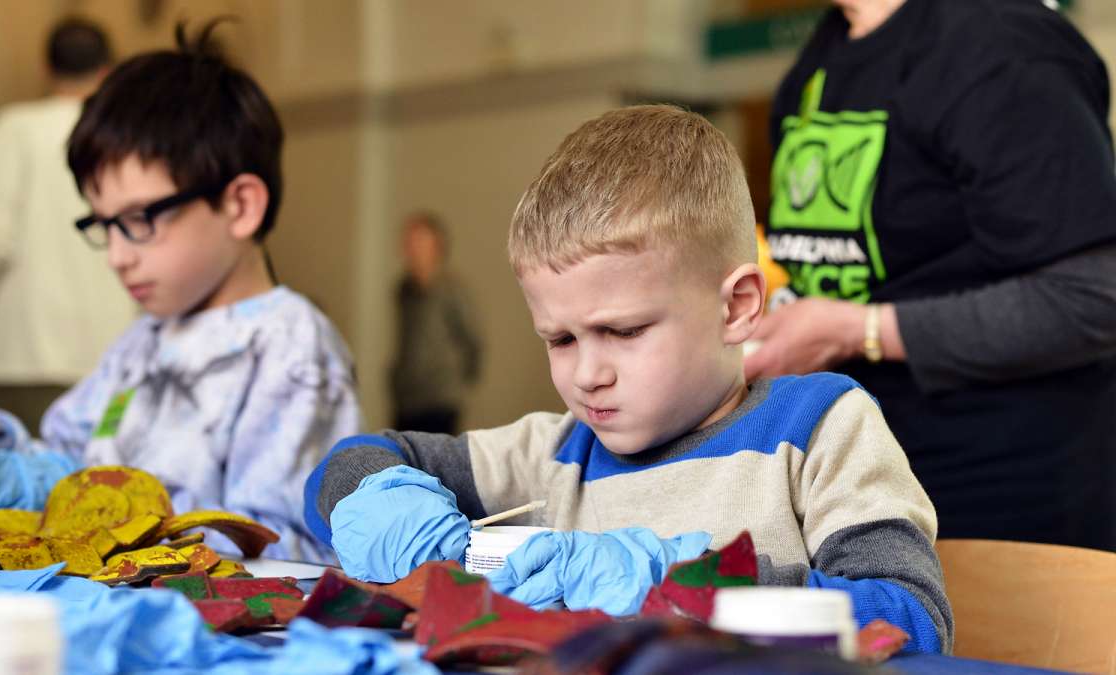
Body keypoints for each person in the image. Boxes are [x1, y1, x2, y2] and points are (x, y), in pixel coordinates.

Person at [304, 105, 952, 654]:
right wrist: (420, 530)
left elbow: (911, 620)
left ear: (736, 305)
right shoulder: (557, 451)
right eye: (560, 338)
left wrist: (683, 583)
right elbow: (350, 464)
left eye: (625, 331)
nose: (588, 374)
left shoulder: (821, 427)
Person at [0, 20, 364, 562]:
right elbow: (66, 467)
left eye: (139, 219)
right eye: (104, 225)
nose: (118, 255)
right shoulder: (140, 343)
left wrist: (124, 526)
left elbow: (281, 551)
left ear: (239, 206)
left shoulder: (292, 349)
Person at [746, 0, 1116, 550]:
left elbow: (1095, 296)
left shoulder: (1000, 43)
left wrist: (855, 330)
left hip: (1010, 504)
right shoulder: (820, 58)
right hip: (868, 492)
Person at [0, 18, 139, 432]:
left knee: (21, 487)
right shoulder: (129, 136)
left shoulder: (15, 128)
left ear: (47, 69)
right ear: (108, 71)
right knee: (111, 484)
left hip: (21, 361)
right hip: (115, 367)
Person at [390, 211, 482, 434]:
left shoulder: (452, 292)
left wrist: (454, 381)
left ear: (436, 247)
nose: (412, 250)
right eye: (409, 243)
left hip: (440, 399)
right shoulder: (403, 290)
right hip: (407, 398)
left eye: (420, 242)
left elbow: (472, 341)